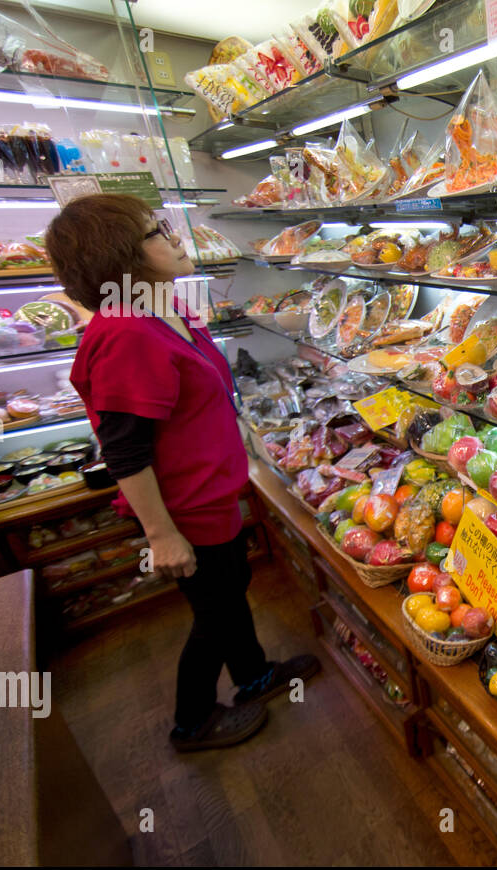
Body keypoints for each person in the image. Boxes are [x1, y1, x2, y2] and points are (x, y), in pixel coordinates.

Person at [46, 194, 318, 752]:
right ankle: (191, 722)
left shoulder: (160, 309)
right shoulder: (127, 333)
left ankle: (254, 677)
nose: (174, 236)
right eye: (155, 231)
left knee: (229, 588)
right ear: (121, 258)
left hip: (211, 491)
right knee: (213, 612)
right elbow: (125, 450)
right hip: (183, 508)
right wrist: (161, 534)